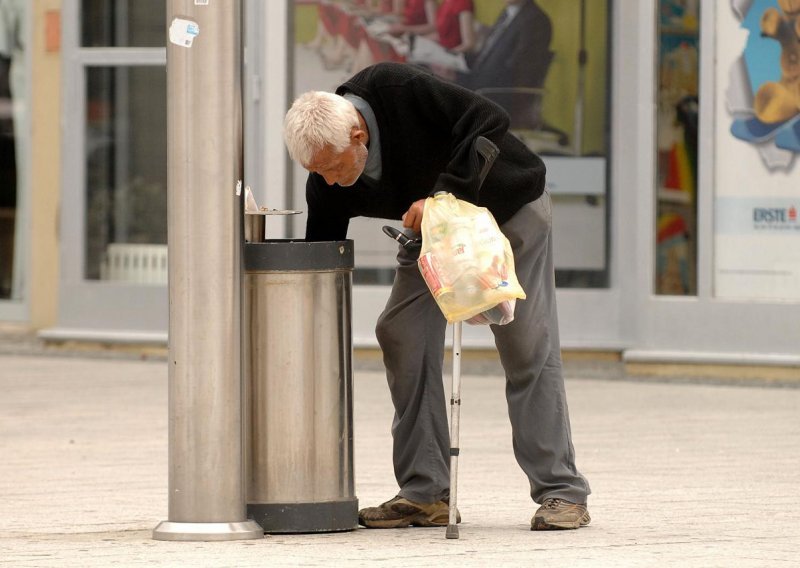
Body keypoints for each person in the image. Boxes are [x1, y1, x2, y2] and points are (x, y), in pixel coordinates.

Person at [283, 61, 591, 531]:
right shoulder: (328, 178)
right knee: (401, 332)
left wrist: (444, 196)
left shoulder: (395, 89)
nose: (326, 180)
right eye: (315, 171)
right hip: (434, 235)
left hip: (507, 209)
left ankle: (562, 493)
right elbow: (321, 257)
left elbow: (488, 119)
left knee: (525, 344)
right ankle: (427, 491)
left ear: (358, 134)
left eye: (332, 166)